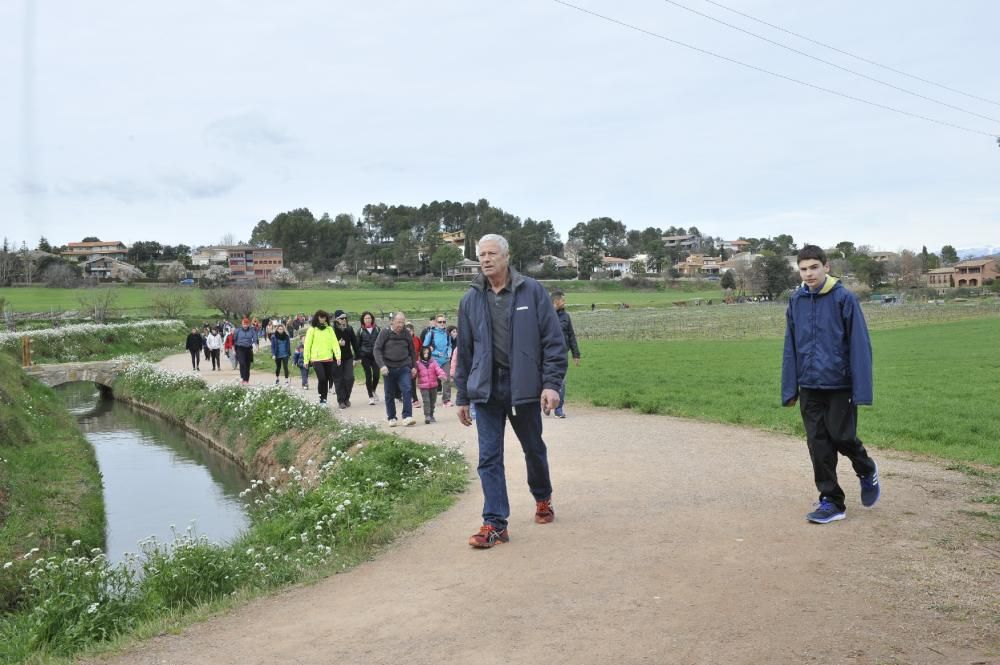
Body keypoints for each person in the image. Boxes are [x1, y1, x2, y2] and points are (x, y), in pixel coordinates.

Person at [454, 234, 567, 549]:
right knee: (489, 457)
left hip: (524, 387)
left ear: (506, 256)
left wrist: (551, 384)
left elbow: (553, 343)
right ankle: (495, 523)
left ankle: (542, 498)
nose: (486, 259)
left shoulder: (532, 291)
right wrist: (462, 395)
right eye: (481, 254)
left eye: (491, 253)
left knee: (533, 448)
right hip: (486, 389)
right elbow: (464, 351)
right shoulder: (471, 299)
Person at [782, 245, 881, 524]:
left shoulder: (844, 299)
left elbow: (860, 345)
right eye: (803, 269)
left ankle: (866, 468)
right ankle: (831, 501)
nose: (808, 273)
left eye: (814, 267)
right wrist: (790, 388)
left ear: (826, 267)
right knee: (818, 444)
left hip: (840, 385)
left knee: (842, 437)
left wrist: (861, 391)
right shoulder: (796, 301)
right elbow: (791, 346)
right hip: (809, 386)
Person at [373, 312, 417, 427]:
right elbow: (377, 349)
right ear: (392, 321)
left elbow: (412, 351)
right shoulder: (385, 332)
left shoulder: (406, 333)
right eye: (399, 322)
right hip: (388, 368)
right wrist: (382, 365)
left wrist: (413, 367)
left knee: (407, 389)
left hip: (404, 366)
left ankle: (407, 416)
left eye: (402, 322)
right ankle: (392, 417)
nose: (401, 325)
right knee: (389, 393)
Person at [551, 290, 581, 418]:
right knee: (544, 381)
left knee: (561, 382)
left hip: (562, 354)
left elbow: (571, 336)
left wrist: (576, 354)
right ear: (556, 301)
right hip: (546, 354)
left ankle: (559, 409)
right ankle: (546, 403)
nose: (565, 302)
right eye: (563, 300)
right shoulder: (544, 315)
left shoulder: (566, 317)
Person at [304, 310, 341, 405]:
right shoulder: (312, 329)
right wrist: (306, 360)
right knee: (322, 379)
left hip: (328, 358)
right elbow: (307, 345)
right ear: (317, 317)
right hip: (316, 359)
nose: (322, 319)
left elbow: (335, 343)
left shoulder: (329, 329)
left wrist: (338, 356)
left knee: (327, 379)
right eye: (321, 317)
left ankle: (324, 400)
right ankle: (322, 399)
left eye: (324, 317)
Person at [422, 313, 454, 406]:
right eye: (440, 322)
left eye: (444, 322)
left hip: (445, 360)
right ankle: (431, 399)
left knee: (446, 379)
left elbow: (449, 345)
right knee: (433, 380)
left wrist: (449, 352)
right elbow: (425, 347)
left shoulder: (447, 334)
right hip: (434, 360)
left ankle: (446, 400)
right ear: (436, 323)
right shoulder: (430, 333)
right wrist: (435, 352)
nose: (442, 323)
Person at [332, 309, 360, 408]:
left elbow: (355, 343)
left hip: (348, 357)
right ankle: (341, 401)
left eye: (345, 318)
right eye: (341, 318)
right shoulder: (332, 330)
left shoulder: (349, 329)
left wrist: (357, 357)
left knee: (350, 378)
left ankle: (346, 398)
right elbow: (328, 345)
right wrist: (337, 344)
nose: (344, 320)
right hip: (335, 358)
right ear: (336, 320)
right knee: (339, 380)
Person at [416, 345, 448, 424]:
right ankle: (427, 416)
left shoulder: (433, 362)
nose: (426, 354)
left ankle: (431, 414)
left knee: (432, 401)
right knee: (426, 401)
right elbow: (414, 373)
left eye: (427, 353)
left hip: (433, 385)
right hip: (424, 386)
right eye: (424, 353)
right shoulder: (418, 363)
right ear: (421, 354)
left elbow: (438, 370)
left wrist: (442, 375)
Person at [357, 311, 381, 405]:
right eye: (366, 318)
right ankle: (370, 396)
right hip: (365, 356)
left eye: (369, 318)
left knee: (376, 375)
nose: (368, 320)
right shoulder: (360, 331)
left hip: (375, 355)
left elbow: (381, 342)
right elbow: (357, 345)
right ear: (363, 320)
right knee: (368, 375)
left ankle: (373, 390)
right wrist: (357, 357)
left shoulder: (378, 329)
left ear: (372, 319)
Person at [232, 318, 258, 385]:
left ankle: (246, 380)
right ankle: (242, 379)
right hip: (240, 349)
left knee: (247, 365)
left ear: (248, 324)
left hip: (248, 349)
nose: (245, 325)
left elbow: (255, 338)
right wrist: (233, 350)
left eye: (246, 324)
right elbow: (233, 340)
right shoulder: (237, 331)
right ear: (242, 324)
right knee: (242, 363)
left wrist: (256, 347)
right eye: (244, 324)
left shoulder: (252, 331)